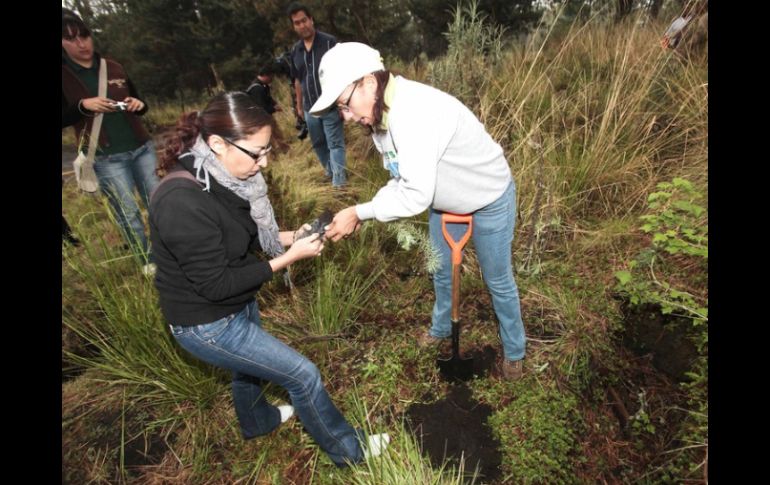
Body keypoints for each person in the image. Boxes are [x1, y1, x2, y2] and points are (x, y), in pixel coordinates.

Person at [149, 91, 389, 466]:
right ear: (216, 143)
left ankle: (258, 420)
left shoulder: (224, 179)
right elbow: (215, 283)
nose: (264, 163)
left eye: (267, 150)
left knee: (248, 368)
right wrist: (291, 259)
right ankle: (348, 452)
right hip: (206, 322)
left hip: (237, 300)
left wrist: (295, 236)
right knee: (303, 376)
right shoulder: (182, 201)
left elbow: (240, 239)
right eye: (256, 152)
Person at [310, 43, 527, 380]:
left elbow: (414, 195)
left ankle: (515, 351)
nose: (346, 116)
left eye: (344, 104)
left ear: (368, 82)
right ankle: (441, 329)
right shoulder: (381, 118)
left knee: (497, 279)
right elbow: (401, 179)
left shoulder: (414, 112)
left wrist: (360, 212)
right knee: (440, 270)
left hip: (488, 197)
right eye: (340, 109)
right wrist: (359, 212)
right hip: (444, 203)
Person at [61, 9, 159, 272]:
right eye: (71, 39)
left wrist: (139, 105)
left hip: (141, 148)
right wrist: (82, 105)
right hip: (106, 156)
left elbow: (141, 104)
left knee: (159, 204)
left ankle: (169, 252)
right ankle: (146, 260)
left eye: (84, 35)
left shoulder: (113, 66)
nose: (81, 44)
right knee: (128, 213)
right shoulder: (65, 76)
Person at [287, 2, 347, 187]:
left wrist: (342, 103)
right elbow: (297, 80)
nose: (302, 25)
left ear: (311, 20)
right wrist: (298, 106)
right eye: (297, 23)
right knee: (319, 144)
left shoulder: (330, 42)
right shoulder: (295, 51)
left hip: (330, 105)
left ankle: (339, 185)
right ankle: (331, 172)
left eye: (304, 20)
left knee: (335, 144)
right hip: (309, 108)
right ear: (294, 26)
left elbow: (342, 73)